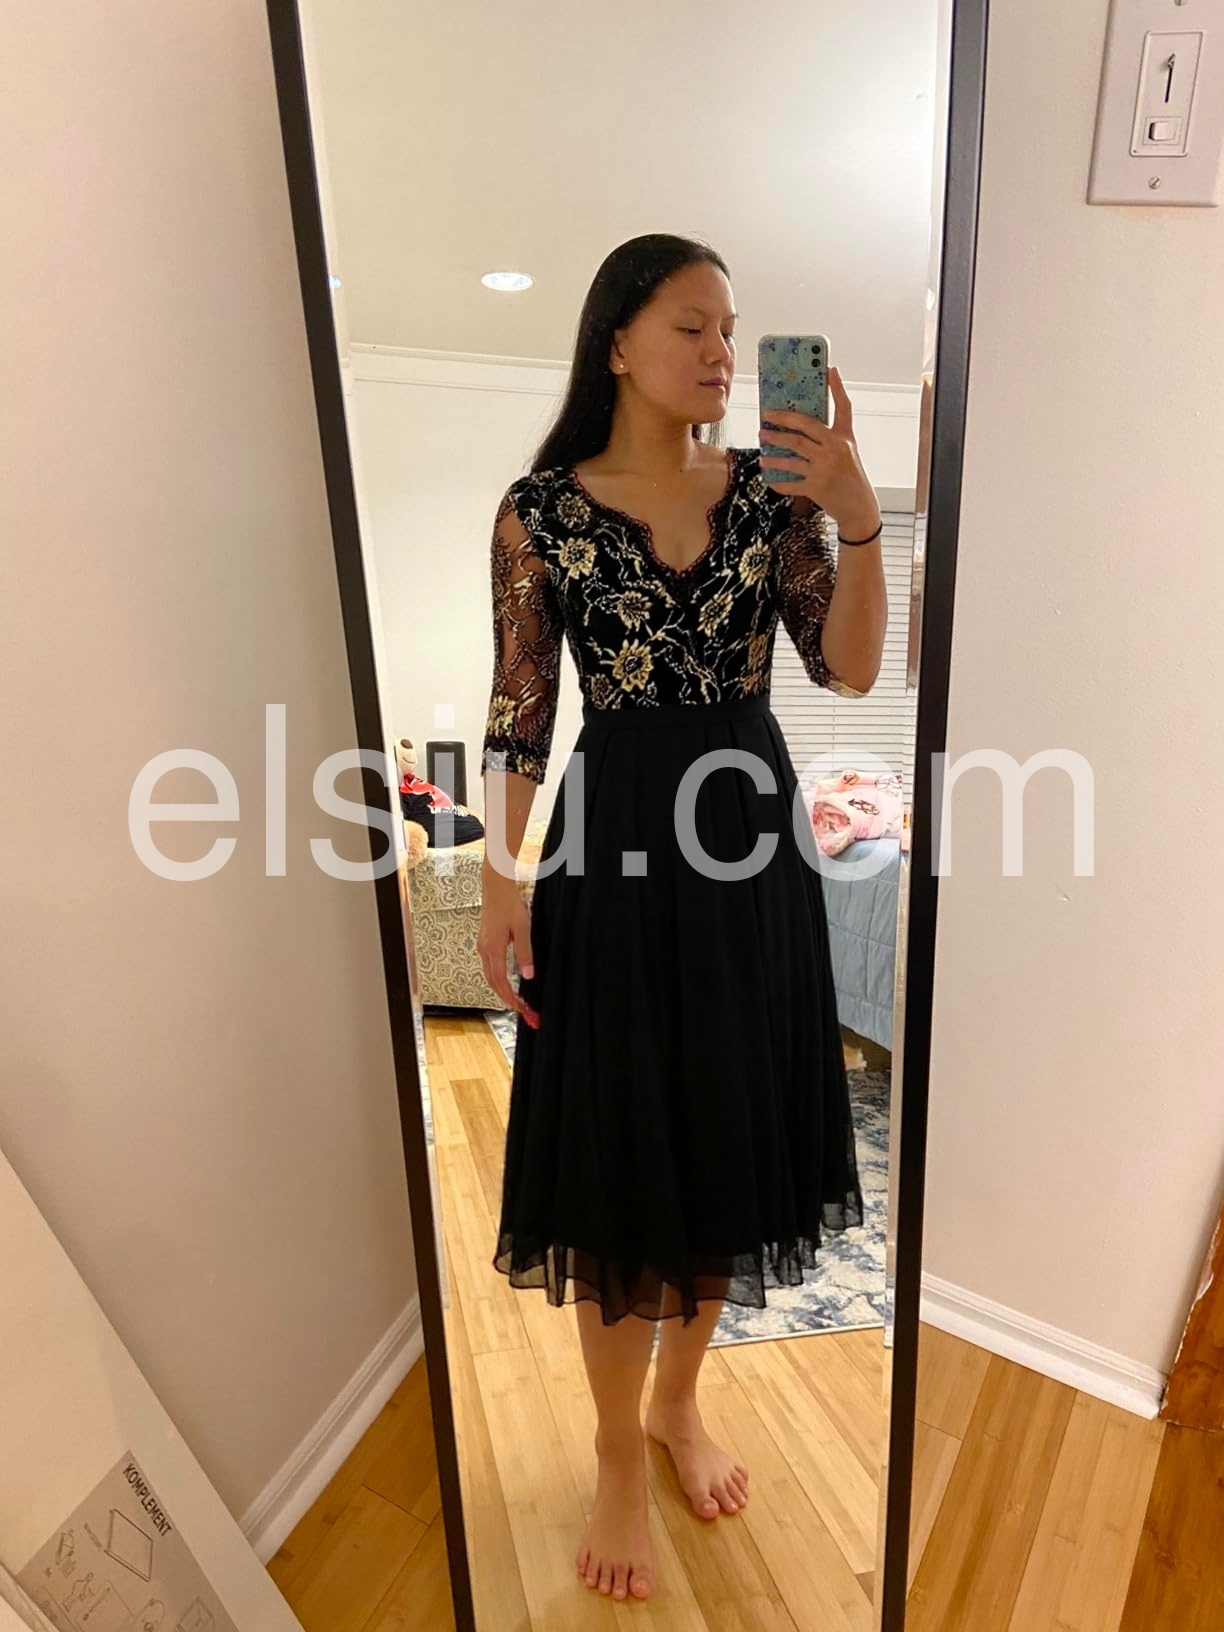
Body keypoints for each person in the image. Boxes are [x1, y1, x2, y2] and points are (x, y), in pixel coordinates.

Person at [477, 233, 887, 1603]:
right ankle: (613, 1445)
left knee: (723, 1130)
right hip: (612, 845)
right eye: (691, 326)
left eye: (730, 328)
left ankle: (676, 1402)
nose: (721, 352)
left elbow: (848, 667)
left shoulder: (775, 498)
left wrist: (860, 517)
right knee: (617, 1145)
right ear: (616, 342)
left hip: (750, 846)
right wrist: (501, 881)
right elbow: (520, 710)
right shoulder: (541, 512)